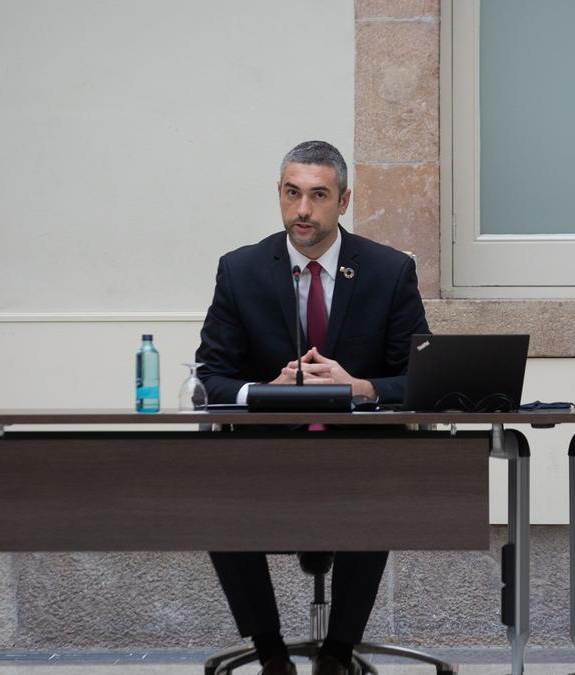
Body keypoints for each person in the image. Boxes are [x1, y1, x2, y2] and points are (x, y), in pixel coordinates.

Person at [195, 140, 429, 675]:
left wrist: (363, 387)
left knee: (373, 497)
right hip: (267, 457)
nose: (303, 210)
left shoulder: (389, 271)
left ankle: (337, 653)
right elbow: (211, 376)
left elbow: (420, 375)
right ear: (279, 195)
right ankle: (272, 652)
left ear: (343, 201)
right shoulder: (241, 270)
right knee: (216, 503)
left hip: (359, 457)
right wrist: (263, 390)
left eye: (319, 195)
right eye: (292, 194)